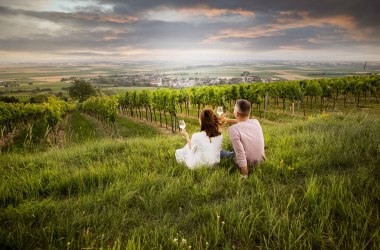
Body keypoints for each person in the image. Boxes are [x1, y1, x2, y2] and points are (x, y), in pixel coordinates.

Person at [222, 99, 265, 178]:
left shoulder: (233, 129)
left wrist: (245, 175)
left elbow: (240, 154)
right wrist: (227, 120)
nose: (233, 111)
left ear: (237, 113)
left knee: (222, 152)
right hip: (260, 160)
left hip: (247, 163)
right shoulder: (255, 122)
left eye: (234, 109)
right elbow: (242, 121)